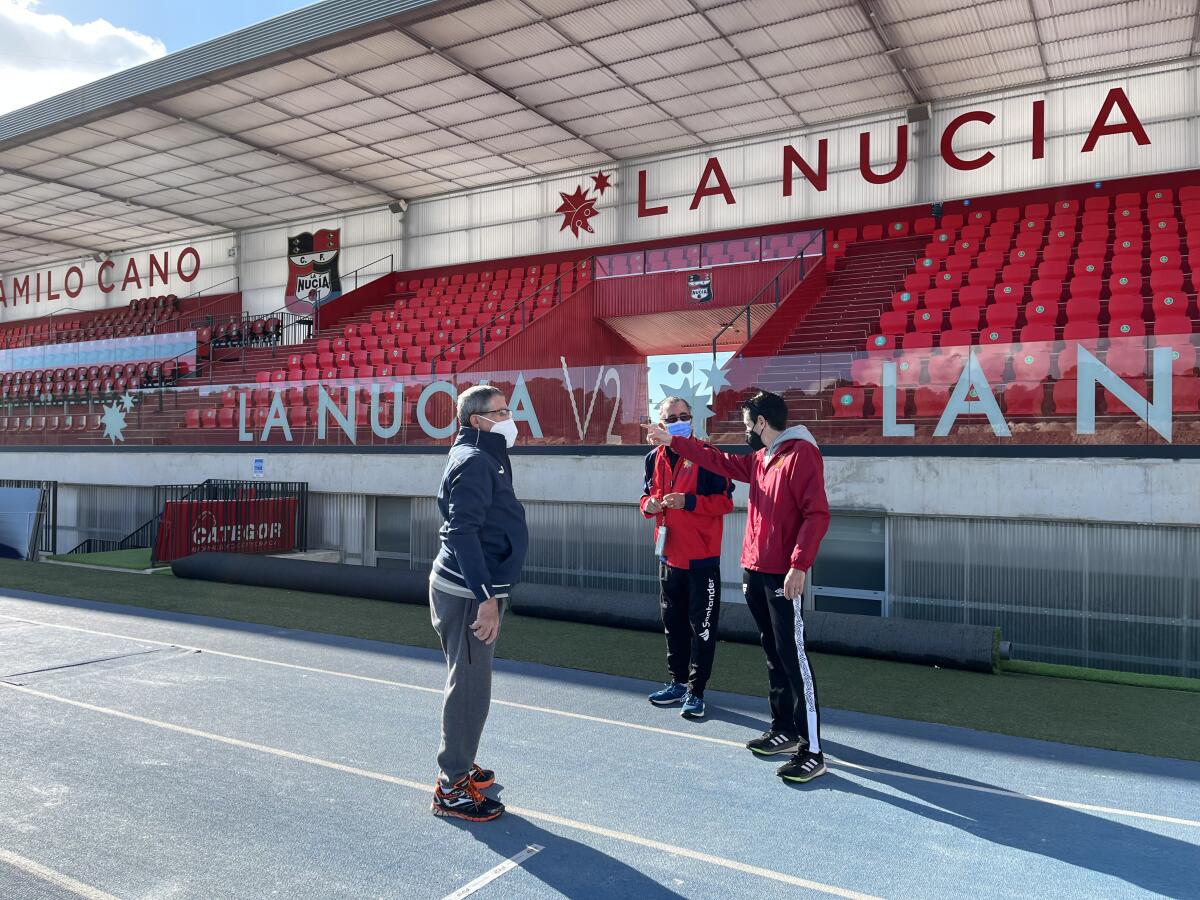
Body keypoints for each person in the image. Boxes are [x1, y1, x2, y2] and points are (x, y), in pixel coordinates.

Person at [645, 389, 831, 783]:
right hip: (756, 570)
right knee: (772, 652)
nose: (746, 431)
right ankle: (783, 727)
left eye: (748, 424)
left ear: (762, 423)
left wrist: (799, 566)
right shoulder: (763, 459)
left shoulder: (801, 455)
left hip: (783, 575)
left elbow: (817, 515)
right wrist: (673, 441)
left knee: (793, 656)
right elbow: (718, 460)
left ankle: (812, 749)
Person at [429, 385, 528, 821]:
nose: (509, 416)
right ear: (477, 420)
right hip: (470, 595)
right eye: (501, 411)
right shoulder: (473, 460)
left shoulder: (483, 453)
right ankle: (451, 787)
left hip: (474, 590)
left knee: (470, 683)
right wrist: (486, 598)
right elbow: (462, 533)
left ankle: (462, 759)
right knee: (470, 689)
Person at [640, 396, 733, 720]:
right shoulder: (653, 457)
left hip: (702, 559)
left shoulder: (708, 456)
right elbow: (646, 495)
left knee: (702, 628)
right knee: (673, 626)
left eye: (685, 416)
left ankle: (697, 692)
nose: (680, 420)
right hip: (668, 557)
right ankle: (678, 682)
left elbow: (725, 504)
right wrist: (648, 506)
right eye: (673, 417)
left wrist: (688, 502)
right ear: (661, 423)